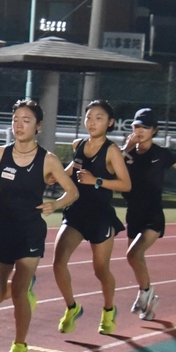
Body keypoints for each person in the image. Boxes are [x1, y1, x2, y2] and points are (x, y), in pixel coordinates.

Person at [0, 99, 78, 352]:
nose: (19, 125)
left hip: (30, 231)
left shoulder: (48, 160)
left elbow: (73, 191)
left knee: (18, 290)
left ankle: (20, 346)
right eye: (16, 119)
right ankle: (26, 292)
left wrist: (56, 204)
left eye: (26, 120)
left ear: (38, 126)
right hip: (2, 229)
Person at [52, 99, 131, 336]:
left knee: (100, 270)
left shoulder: (112, 151)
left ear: (110, 123)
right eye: (89, 117)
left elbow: (126, 184)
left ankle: (108, 310)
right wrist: (54, 176)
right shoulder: (80, 144)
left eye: (98, 118)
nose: (92, 122)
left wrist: (96, 181)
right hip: (76, 213)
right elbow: (70, 171)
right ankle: (72, 308)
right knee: (58, 263)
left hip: (100, 217)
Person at [121, 107, 176, 320]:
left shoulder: (161, 154)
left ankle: (146, 294)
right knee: (136, 259)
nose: (139, 130)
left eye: (145, 127)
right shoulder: (126, 154)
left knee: (133, 254)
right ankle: (149, 298)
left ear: (154, 130)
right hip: (133, 213)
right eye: (136, 126)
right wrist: (126, 148)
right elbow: (110, 168)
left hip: (153, 214)